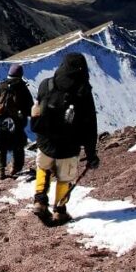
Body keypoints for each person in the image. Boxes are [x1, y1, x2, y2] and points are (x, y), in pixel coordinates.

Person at [30, 52, 99, 224]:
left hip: (45, 141)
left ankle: (39, 201)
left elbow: (38, 107)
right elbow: (90, 125)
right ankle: (59, 210)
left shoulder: (46, 84)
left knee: (43, 168)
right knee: (64, 178)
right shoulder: (83, 92)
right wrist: (91, 155)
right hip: (69, 146)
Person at [0, 63, 33, 179]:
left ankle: (1, 171)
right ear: (20, 75)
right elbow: (30, 107)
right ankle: (15, 169)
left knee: (0, 146)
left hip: (0, 121)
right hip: (16, 123)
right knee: (18, 146)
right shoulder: (23, 89)